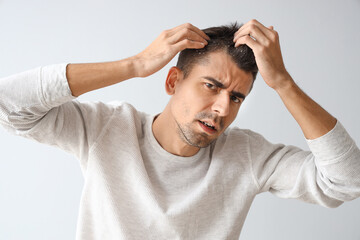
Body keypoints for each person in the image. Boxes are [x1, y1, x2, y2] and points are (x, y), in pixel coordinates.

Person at [0, 19, 359, 239]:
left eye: (236, 97)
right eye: (211, 86)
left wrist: (282, 82)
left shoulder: (247, 155)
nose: (222, 108)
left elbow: (346, 181)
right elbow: (8, 104)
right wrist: (135, 64)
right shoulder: (106, 128)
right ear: (173, 81)